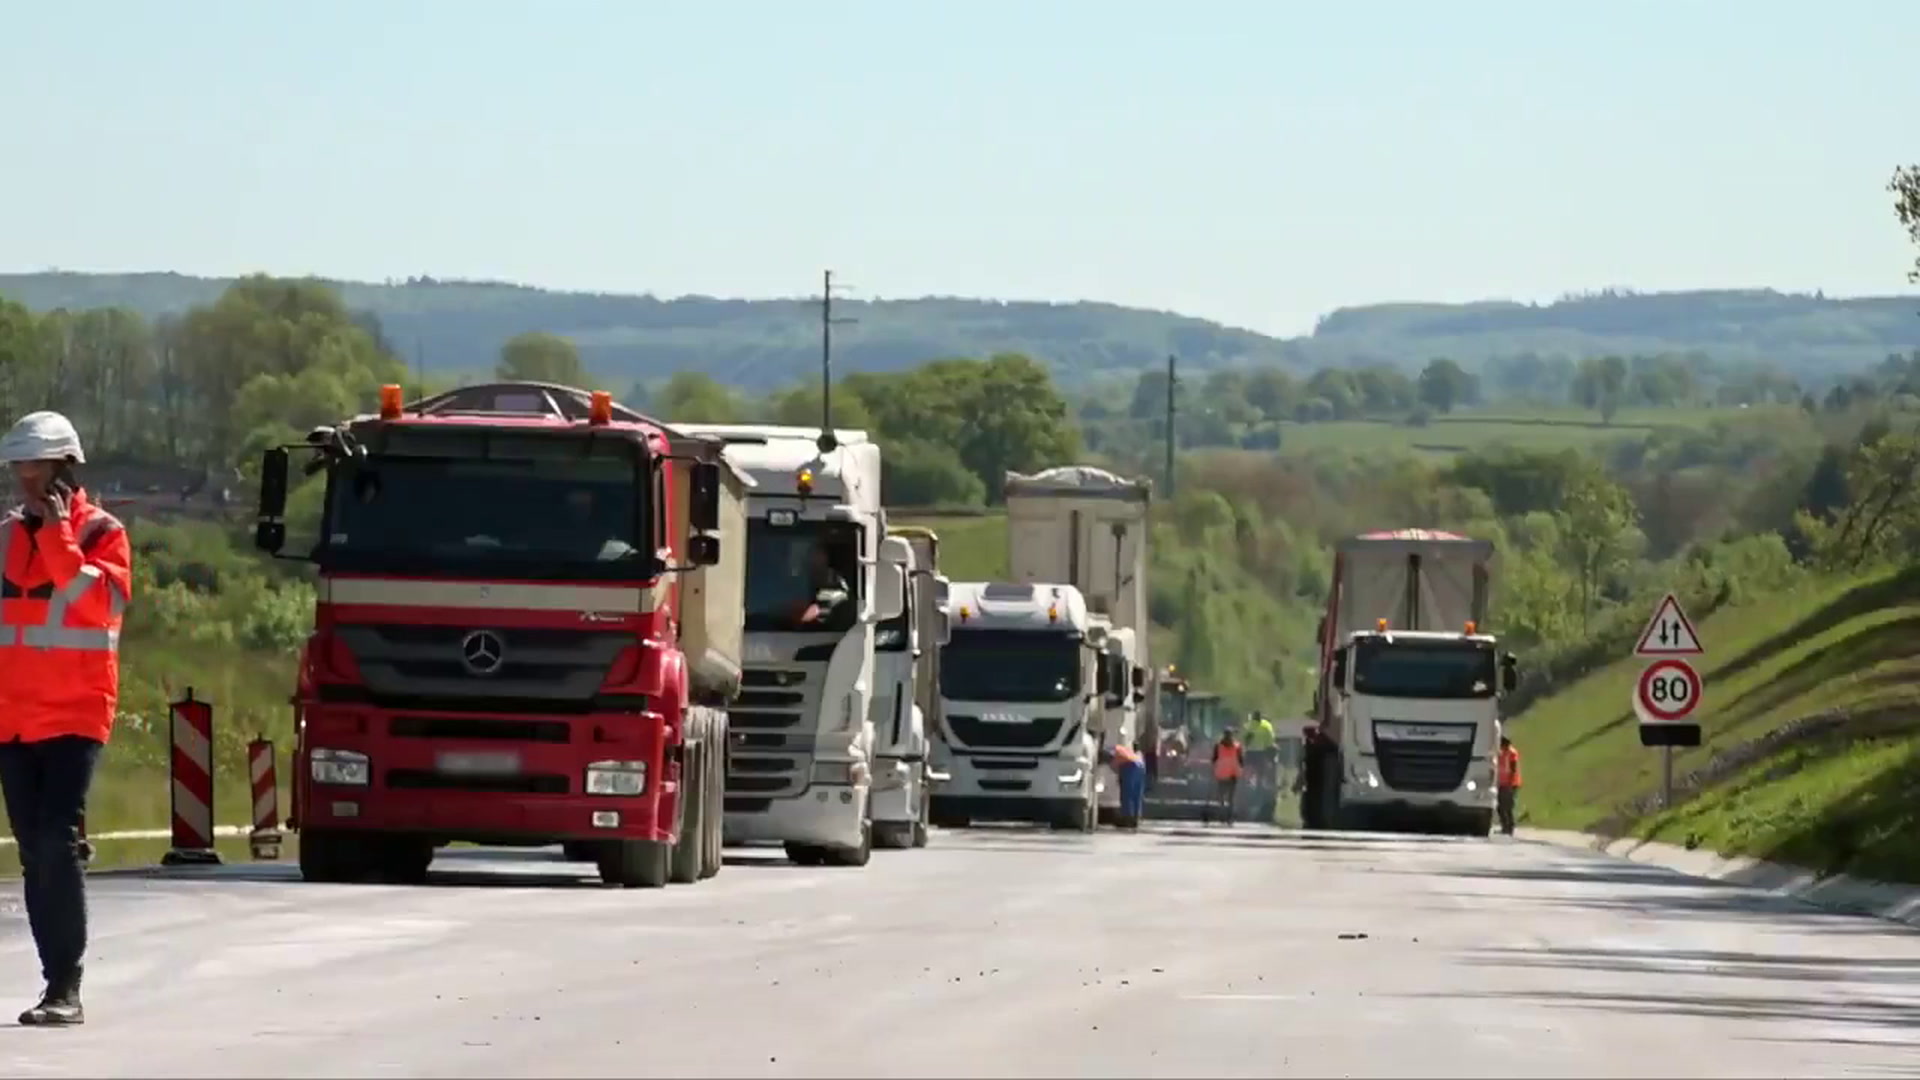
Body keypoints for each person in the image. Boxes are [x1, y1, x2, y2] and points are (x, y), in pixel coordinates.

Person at [0, 411, 133, 1026]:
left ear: (65, 469)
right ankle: (56, 984)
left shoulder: (105, 534)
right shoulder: (2, 537)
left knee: (53, 841)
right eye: (19, 466)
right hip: (11, 720)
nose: (26, 478)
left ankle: (65, 987)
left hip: (76, 716)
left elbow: (92, 607)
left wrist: (58, 537)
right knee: (36, 850)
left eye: (37, 466)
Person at [793, 542, 849, 628]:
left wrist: (820, 610)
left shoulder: (837, 581)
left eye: (819, 555)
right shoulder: (800, 583)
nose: (815, 560)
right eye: (812, 556)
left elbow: (844, 601)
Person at [1206, 729, 1244, 826]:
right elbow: (1241, 761)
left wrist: (1213, 768)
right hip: (1232, 774)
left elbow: (1214, 759)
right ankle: (1229, 817)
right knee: (1231, 798)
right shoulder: (1237, 746)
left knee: (1222, 797)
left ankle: (1223, 815)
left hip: (1222, 774)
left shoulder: (1218, 746)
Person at [1111, 740, 1147, 829]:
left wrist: (1120, 778)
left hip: (1130, 766)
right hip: (1140, 765)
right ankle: (1135, 818)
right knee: (1136, 795)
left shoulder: (1113, 752)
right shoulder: (1125, 750)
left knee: (1127, 794)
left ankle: (1127, 818)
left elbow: (1114, 766)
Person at [1495, 734, 1522, 836]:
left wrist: (1510, 784)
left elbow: (1513, 768)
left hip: (1511, 783)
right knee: (1500, 806)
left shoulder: (1512, 753)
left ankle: (1509, 827)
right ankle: (1505, 826)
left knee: (1507, 806)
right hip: (1502, 783)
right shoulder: (1501, 753)